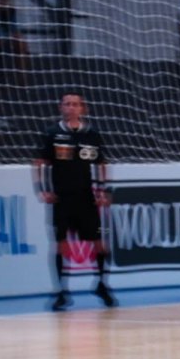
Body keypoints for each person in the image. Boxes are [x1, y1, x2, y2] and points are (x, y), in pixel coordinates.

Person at [33, 93, 117, 311]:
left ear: (83, 108)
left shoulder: (91, 134)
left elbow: (101, 164)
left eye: (75, 104)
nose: (71, 107)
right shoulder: (52, 133)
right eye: (67, 104)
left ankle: (101, 284)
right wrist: (42, 189)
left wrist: (104, 190)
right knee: (61, 245)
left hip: (86, 198)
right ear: (61, 107)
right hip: (62, 198)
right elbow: (40, 163)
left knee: (99, 244)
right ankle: (61, 291)